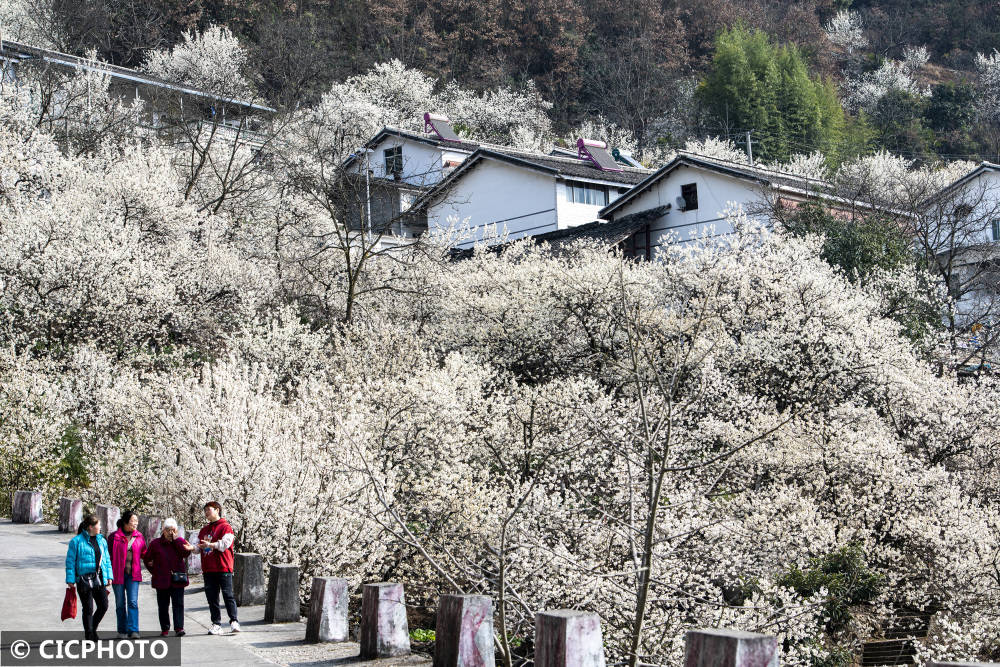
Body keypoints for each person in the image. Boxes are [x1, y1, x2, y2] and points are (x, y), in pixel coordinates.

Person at [143, 518, 196, 637]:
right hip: (161, 579)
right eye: (168, 530)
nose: (170, 533)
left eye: (173, 530)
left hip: (177, 579)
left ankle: (179, 628)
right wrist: (154, 571)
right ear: (163, 530)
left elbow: (186, 553)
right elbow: (147, 559)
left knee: (178, 604)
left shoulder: (180, 541)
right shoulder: (155, 543)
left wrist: (177, 540)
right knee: (163, 605)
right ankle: (165, 628)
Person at [65, 514, 112, 640]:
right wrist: (70, 579)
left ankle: (92, 628)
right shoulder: (77, 541)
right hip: (83, 579)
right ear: (90, 527)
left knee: (103, 605)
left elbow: (106, 560)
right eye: (98, 525)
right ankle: (89, 634)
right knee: (88, 608)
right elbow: (70, 561)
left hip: (99, 578)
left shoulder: (102, 540)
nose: (100, 527)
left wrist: (109, 576)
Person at [198, 501, 240, 635]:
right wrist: (191, 548)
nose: (206, 513)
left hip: (223, 567)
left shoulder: (226, 527)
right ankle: (216, 623)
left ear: (217, 510)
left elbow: (225, 544)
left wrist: (211, 545)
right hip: (208, 568)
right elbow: (198, 546)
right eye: (205, 510)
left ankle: (234, 621)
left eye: (208, 510)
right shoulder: (204, 530)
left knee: (228, 594)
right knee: (212, 597)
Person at [109, 510, 146, 638]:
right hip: (117, 574)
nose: (135, 523)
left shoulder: (139, 536)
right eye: (133, 521)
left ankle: (133, 630)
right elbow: (108, 556)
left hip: (133, 574)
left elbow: (145, 553)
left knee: (133, 602)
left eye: (136, 521)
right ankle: (122, 630)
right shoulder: (114, 537)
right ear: (125, 522)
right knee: (120, 603)